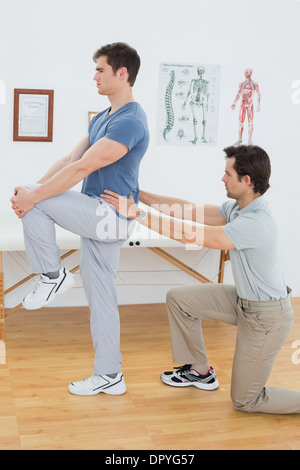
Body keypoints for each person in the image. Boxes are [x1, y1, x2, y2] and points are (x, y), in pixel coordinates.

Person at [101, 145, 300, 414]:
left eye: (227, 174)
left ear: (247, 180)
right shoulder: (238, 208)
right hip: (243, 301)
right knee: (179, 300)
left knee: (246, 400)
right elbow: (189, 211)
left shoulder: (256, 223)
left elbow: (192, 234)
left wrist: (137, 213)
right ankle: (199, 371)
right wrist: (139, 196)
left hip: (266, 319)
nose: (222, 179)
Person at [10, 42, 149, 396]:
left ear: (122, 73)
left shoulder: (131, 120)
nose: (95, 76)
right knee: (102, 299)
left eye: (100, 70)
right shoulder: (103, 118)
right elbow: (71, 160)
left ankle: (52, 275)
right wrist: (33, 193)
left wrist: (33, 197)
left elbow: (87, 167)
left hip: (109, 216)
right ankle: (110, 375)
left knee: (37, 198)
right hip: (99, 214)